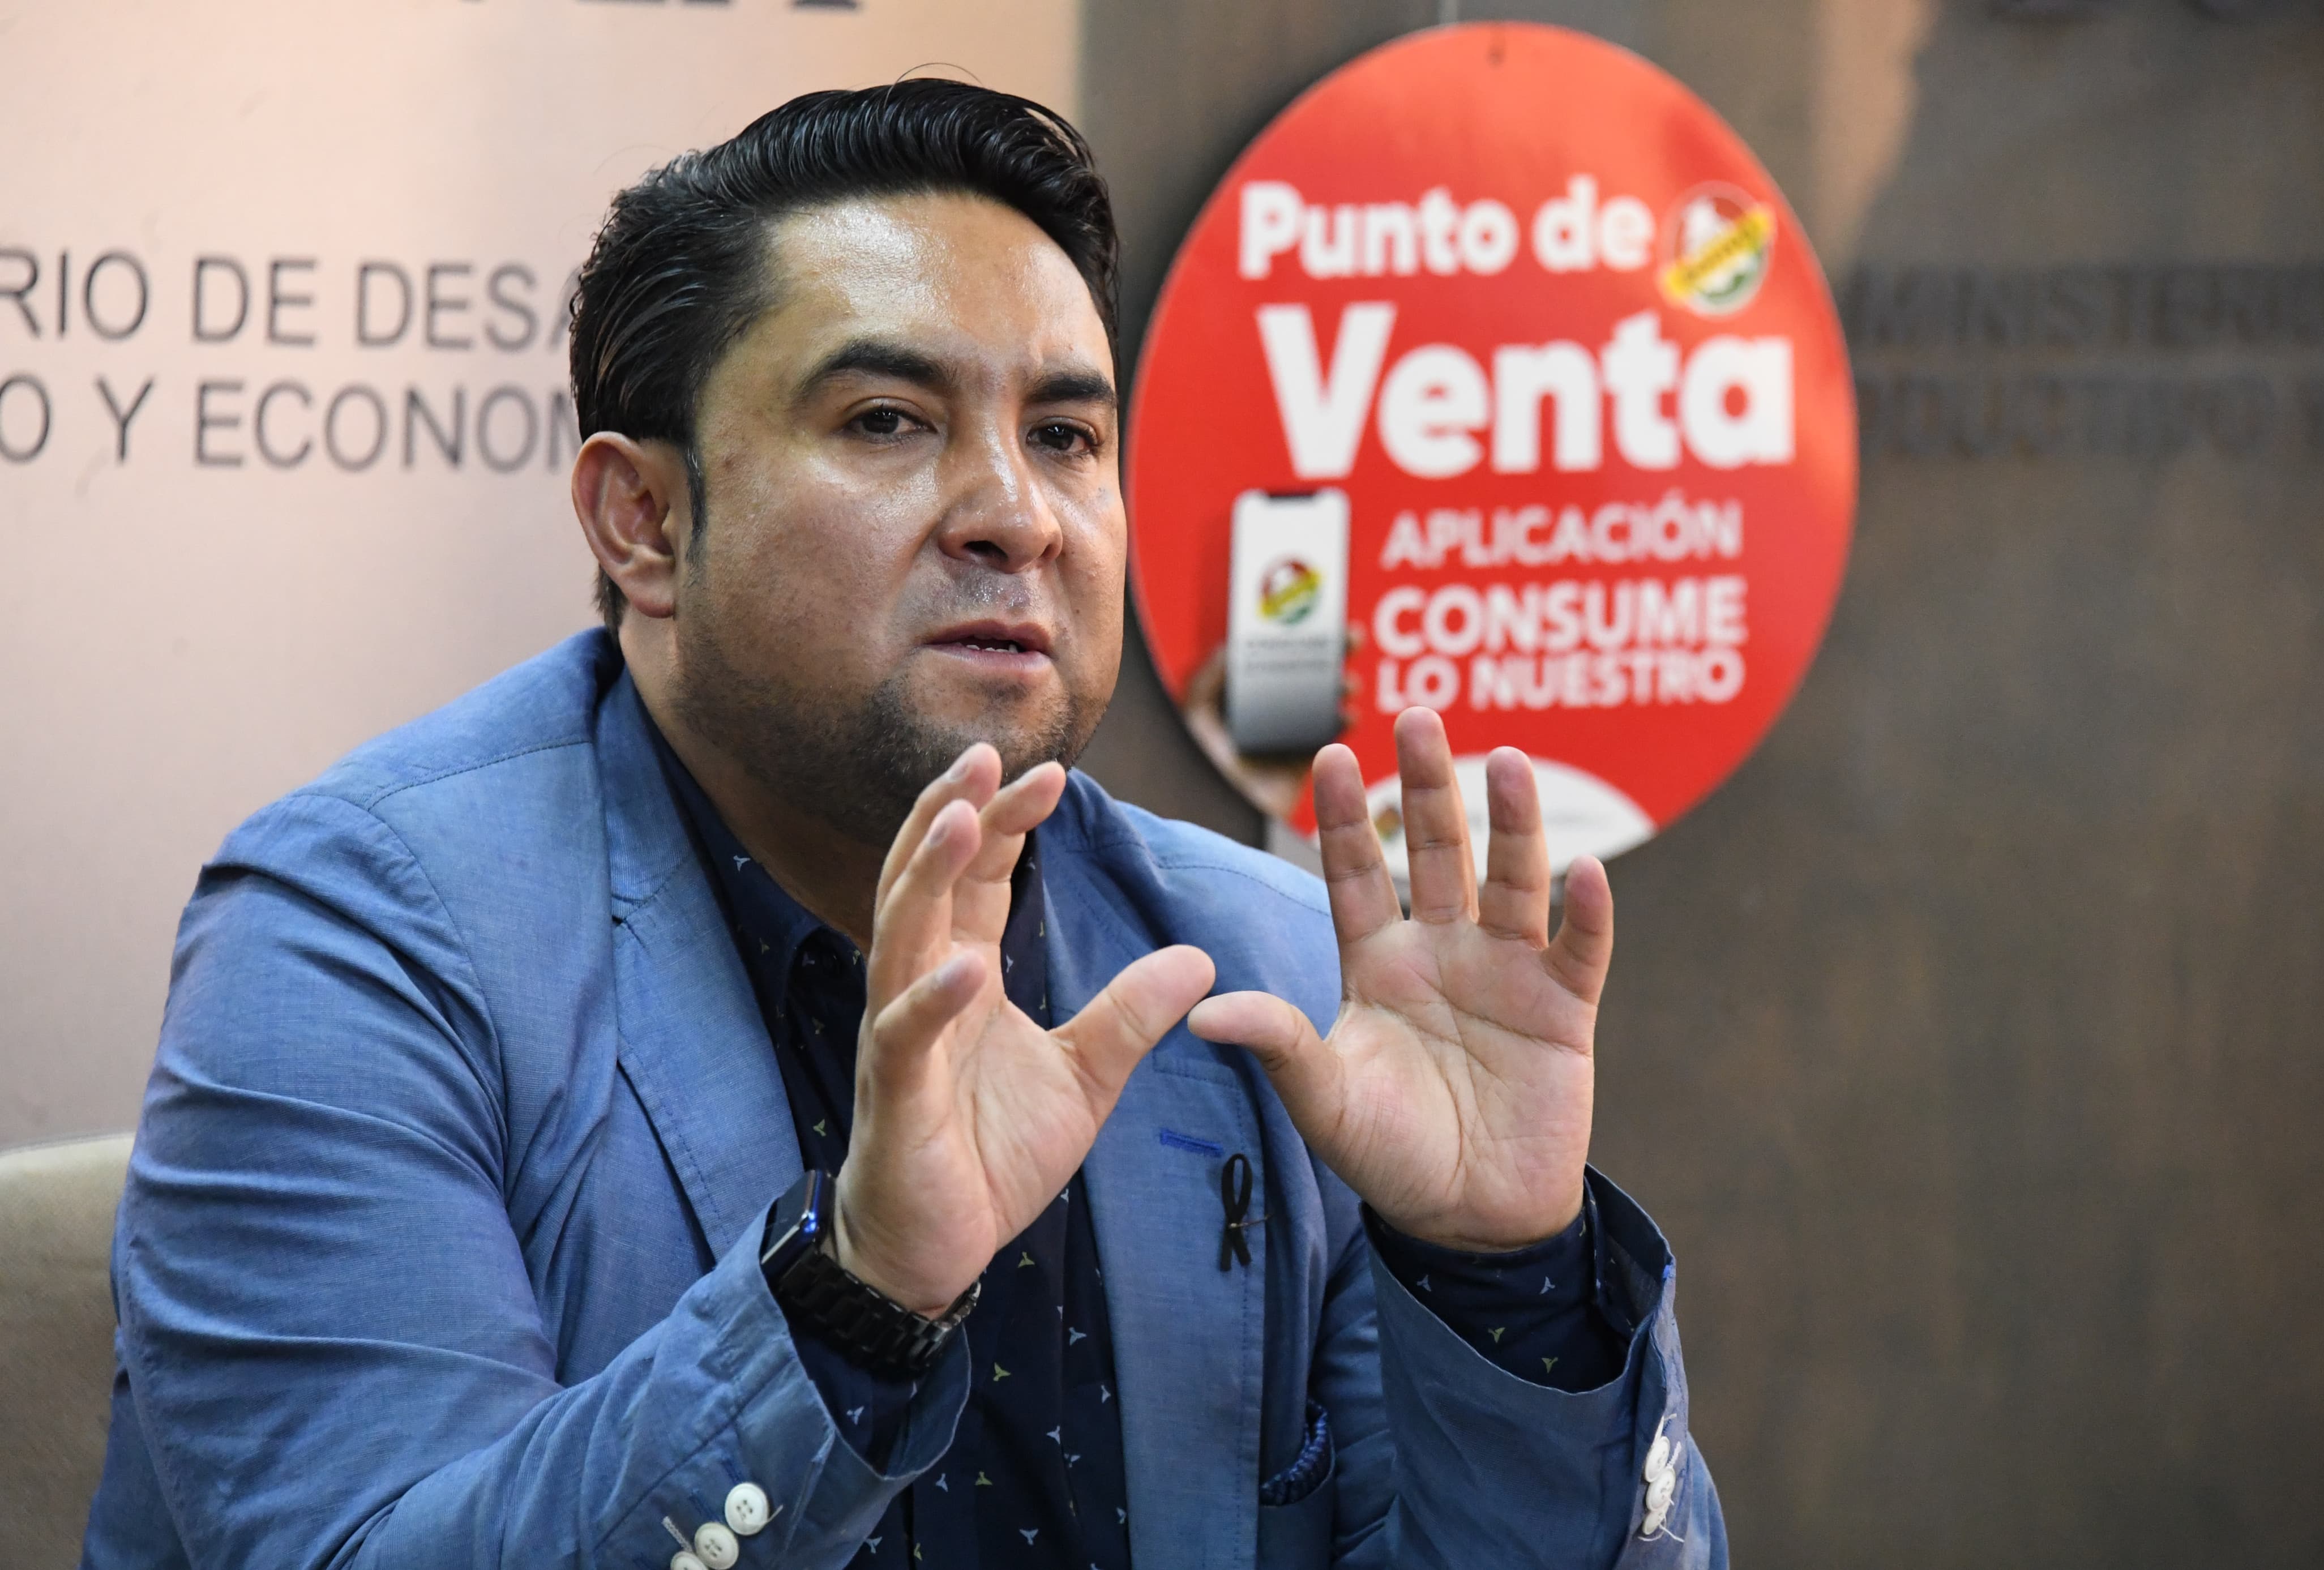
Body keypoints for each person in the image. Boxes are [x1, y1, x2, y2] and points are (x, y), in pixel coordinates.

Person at [80, 83, 1724, 1570]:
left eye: (1067, 437)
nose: (1017, 514)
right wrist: (850, 1295)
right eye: (887, 420)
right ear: (642, 520)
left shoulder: (1271, 976)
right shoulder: (355, 941)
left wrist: (1501, 1281)